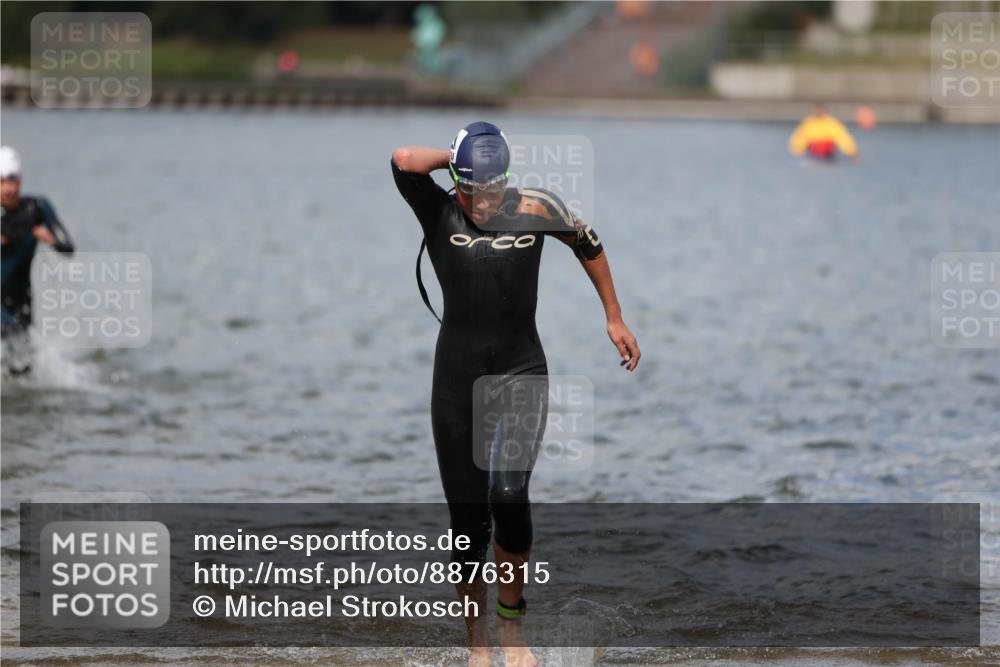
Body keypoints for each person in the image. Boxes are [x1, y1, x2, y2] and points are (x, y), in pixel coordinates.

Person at [392, 122, 640, 667]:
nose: (483, 202)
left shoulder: (534, 207)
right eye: (472, 190)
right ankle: (477, 640)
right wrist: (457, 160)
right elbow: (404, 158)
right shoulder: (438, 210)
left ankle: (512, 627)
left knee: (507, 495)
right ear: (457, 180)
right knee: (466, 522)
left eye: (492, 190)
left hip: (521, 372)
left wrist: (614, 316)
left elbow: (587, 241)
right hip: (455, 383)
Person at [1, 146, 74, 373]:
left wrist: (51, 240)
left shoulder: (36, 209)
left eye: (12, 180)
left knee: (21, 369)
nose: (8, 188)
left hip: (21, 303)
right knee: (8, 332)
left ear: (20, 180)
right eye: (1, 181)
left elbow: (68, 248)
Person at [788, 103, 859, 161]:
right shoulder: (809, 123)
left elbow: (843, 138)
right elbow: (799, 138)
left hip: (828, 154)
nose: (818, 112)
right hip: (813, 154)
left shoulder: (832, 123)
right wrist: (796, 151)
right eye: (816, 110)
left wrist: (851, 151)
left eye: (820, 110)